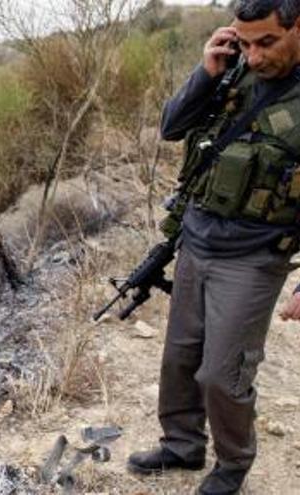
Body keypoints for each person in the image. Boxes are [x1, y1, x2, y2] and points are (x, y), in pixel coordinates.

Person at [127, 1, 300, 494]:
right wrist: (207, 71)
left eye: (266, 42)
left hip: (254, 256)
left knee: (223, 373)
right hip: (197, 239)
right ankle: (182, 445)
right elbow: (171, 127)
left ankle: (232, 464)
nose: (255, 55)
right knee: (180, 357)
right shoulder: (232, 71)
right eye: (244, 42)